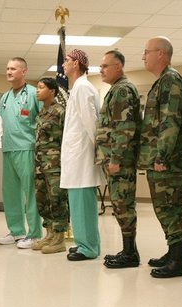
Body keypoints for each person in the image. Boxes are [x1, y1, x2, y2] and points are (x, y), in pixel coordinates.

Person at [138, 37, 182, 278]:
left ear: (161, 54)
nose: (143, 56)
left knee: (170, 207)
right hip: (157, 159)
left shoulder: (170, 80)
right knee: (164, 207)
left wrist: (162, 156)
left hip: (165, 160)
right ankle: (173, 252)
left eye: (146, 52)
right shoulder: (162, 81)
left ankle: (178, 260)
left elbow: (170, 121)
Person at [95, 50, 141, 268]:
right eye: (101, 66)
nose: (101, 70)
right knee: (120, 204)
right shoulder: (116, 89)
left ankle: (130, 254)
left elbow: (124, 128)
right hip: (115, 159)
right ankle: (129, 250)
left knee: (123, 204)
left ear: (118, 67)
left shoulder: (122, 90)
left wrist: (115, 159)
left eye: (105, 66)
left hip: (119, 160)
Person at [61, 49, 103, 261]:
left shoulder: (83, 88)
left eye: (66, 61)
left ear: (76, 64)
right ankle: (83, 243)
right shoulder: (77, 88)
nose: (63, 65)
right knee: (78, 204)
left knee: (83, 205)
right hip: (76, 157)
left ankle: (89, 247)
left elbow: (91, 122)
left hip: (82, 157)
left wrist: (100, 150)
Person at [0, 57, 42, 249]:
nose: (9, 72)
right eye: (7, 68)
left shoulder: (34, 94)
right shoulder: (5, 98)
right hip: (8, 148)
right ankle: (16, 231)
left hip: (27, 149)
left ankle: (34, 234)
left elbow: (43, 121)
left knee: (30, 192)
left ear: (24, 71)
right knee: (10, 192)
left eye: (13, 69)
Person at [32, 77, 69, 254]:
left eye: (41, 88)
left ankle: (59, 239)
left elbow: (66, 140)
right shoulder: (41, 112)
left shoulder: (60, 111)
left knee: (57, 201)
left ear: (52, 91)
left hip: (55, 166)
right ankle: (49, 234)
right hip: (40, 164)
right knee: (43, 200)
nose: (37, 91)